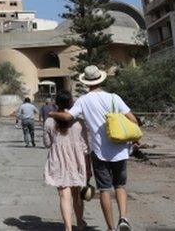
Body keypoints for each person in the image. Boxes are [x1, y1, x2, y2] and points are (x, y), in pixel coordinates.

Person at [50, 66, 139, 231]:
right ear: (101, 79)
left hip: (99, 152)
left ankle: (111, 228)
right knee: (120, 186)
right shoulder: (114, 97)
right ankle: (124, 218)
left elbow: (68, 116)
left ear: (86, 83)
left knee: (104, 189)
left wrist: (52, 114)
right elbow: (133, 119)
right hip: (120, 150)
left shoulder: (83, 100)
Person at [43, 91, 89, 231]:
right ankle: (80, 223)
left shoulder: (50, 120)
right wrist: (88, 167)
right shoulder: (79, 122)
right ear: (71, 103)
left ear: (56, 103)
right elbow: (86, 147)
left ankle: (68, 228)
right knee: (77, 194)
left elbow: (46, 143)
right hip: (76, 161)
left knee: (64, 195)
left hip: (58, 161)